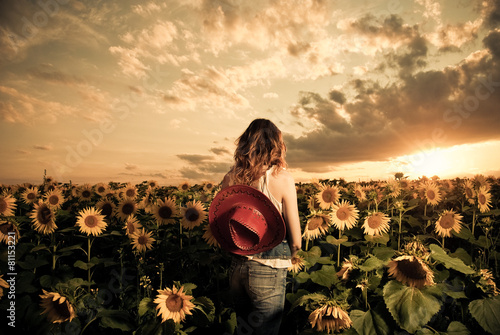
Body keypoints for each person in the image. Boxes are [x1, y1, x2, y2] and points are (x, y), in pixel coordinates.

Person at [219, 118, 302, 335]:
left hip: (237, 266)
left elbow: (221, 219)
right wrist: (293, 253)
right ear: (276, 145)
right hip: (269, 266)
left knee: (244, 328)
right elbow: (296, 237)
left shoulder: (231, 177)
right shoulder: (282, 178)